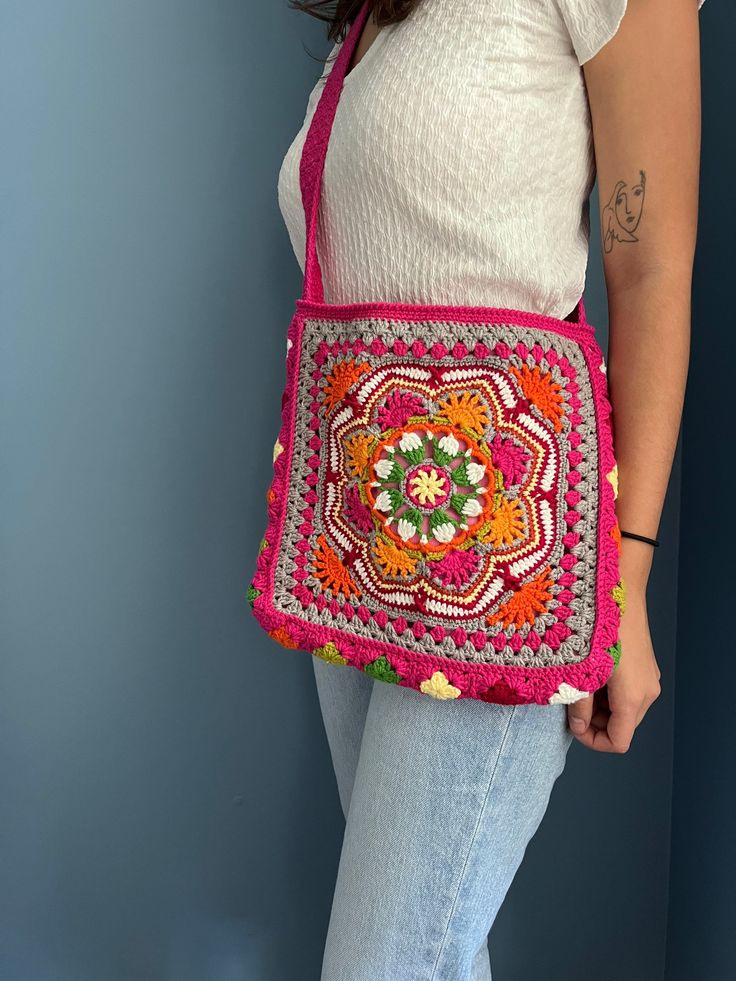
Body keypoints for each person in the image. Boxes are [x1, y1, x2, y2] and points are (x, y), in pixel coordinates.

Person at [276, 1, 705, 977]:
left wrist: (624, 578)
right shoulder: (378, 16)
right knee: (433, 954)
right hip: (362, 533)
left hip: (498, 558)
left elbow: (650, 271)